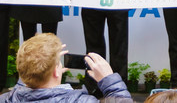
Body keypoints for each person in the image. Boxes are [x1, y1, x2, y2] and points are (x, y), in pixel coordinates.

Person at [0, 33, 133, 102]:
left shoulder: (7, 98)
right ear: (55, 72)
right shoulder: (82, 101)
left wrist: (32, 67)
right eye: (58, 62)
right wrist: (110, 81)